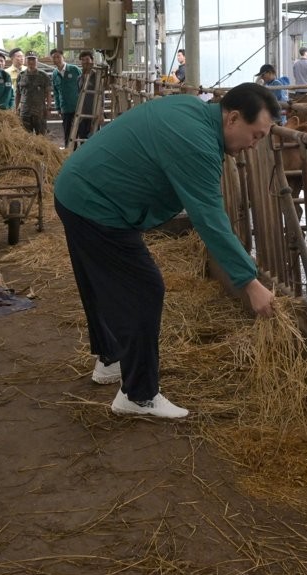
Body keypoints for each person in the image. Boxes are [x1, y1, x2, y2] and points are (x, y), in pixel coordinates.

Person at [53, 82, 279, 419]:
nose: (254, 145)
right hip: (97, 205)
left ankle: (110, 358)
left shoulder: (190, 110)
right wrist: (250, 282)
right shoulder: (198, 143)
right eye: (256, 135)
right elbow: (210, 219)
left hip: (79, 189)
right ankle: (138, 395)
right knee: (145, 288)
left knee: (101, 280)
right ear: (232, 118)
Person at [50, 48, 82, 146]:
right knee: (68, 133)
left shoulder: (74, 69)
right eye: (54, 57)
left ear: (63, 57)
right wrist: (58, 107)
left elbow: (83, 85)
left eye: (58, 57)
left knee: (81, 131)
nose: (56, 59)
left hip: (78, 106)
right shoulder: (54, 74)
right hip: (65, 108)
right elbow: (55, 92)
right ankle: (70, 153)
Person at [15, 51, 51, 135]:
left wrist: (49, 108)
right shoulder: (21, 75)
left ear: (37, 60)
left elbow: (48, 93)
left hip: (39, 111)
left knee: (41, 136)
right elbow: (18, 94)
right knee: (25, 136)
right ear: (25, 61)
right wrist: (16, 109)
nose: (31, 62)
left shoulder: (43, 75)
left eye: (33, 59)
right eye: (29, 59)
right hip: (25, 112)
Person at [75, 50, 100, 141]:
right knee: (82, 137)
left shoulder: (97, 77)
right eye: (83, 60)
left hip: (94, 112)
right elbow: (79, 96)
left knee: (94, 138)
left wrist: (100, 113)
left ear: (92, 60)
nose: (85, 62)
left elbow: (101, 95)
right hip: (82, 113)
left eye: (87, 59)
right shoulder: (79, 78)